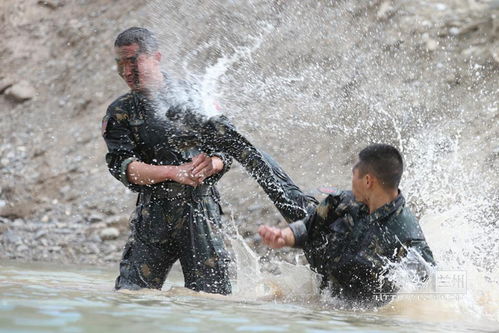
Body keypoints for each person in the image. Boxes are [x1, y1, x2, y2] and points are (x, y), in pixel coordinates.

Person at [102, 27, 316, 295]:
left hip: (201, 214)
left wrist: (213, 163)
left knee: (211, 300)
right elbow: (123, 167)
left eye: (133, 61)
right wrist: (173, 172)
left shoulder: (192, 94)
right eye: (120, 64)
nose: (126, 71)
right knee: (129, 296)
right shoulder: (120, 112)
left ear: (156, 57)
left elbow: (228, 148)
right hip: (153, 216)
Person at [258, 144, 436, 306]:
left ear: (368, 181)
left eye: (354, 176)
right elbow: (308, 226)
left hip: (363, 317)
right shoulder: (343, 202)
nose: (351, 182)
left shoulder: (407, 234)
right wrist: (284, 237)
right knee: (276, 184)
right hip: (323, 297)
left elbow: (429, 287)